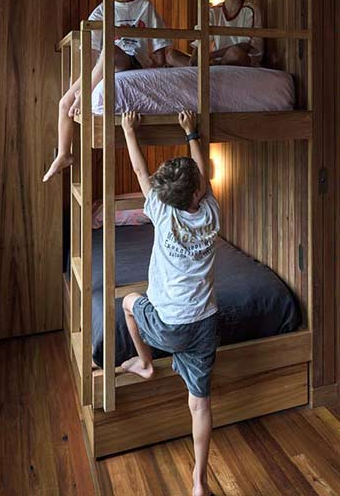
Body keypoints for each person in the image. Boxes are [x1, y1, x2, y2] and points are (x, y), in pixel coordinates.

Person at [121, 109, 219, 496]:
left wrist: (129, 131)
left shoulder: (161, 213)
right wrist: (191, 132)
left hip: (169, 324)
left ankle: (146, 363)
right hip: (205, 323)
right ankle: (199, 482)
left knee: (129, 302)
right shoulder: (211, 212)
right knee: (201, 404)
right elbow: (203, 174)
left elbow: (140, 172)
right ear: (198, 194)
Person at [43, 0, 187, 182]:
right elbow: (91, 54)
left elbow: (160, 43)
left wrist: (157, 64)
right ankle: (63, 154)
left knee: (109, 50)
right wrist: (79, 84)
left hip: (134, 61)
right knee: (63, 103)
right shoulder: (102, 12)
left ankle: (85, 95)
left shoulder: (144, 5)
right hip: (108, 63)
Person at [190, 0, 263, 67]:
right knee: (171, 55)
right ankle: (213, 66)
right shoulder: (213, 12)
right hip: (215, 59)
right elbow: (200, 40)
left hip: (244, 59)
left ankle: (216, 66)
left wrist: (210, 56)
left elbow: (245, 46)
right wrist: (193, 61)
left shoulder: (250, 10)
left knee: (234, 52)